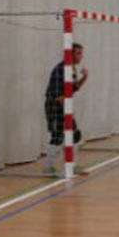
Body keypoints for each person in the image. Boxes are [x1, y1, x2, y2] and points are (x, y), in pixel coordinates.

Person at [44, 43, 88, 175]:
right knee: (57, 136)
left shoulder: (72, 69)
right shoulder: (61, 69)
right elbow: (58, 96)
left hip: (64, 106)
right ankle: (48, 167)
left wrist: (84, 77)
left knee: (75, 135)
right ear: (70, 54)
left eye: (81, 53)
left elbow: (74, 88)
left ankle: (71, 165)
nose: (81, 56)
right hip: (55, 105)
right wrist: (65, 110)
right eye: (78, 53)